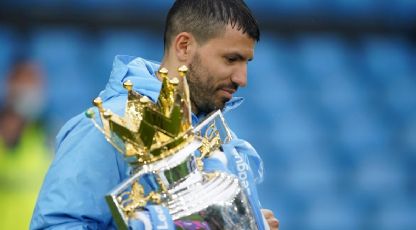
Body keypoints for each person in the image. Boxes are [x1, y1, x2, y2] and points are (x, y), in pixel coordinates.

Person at [31, 0, 279, 229]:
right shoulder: (109, 126)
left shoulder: (213, 130)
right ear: (184, 46)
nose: (242, 79)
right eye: (231, 59)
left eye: (246, 62)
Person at [0, 59, 51, 229]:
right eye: (26, 81)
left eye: (36, 82)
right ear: (10, 84)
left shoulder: (46, 133)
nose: (32, 89)